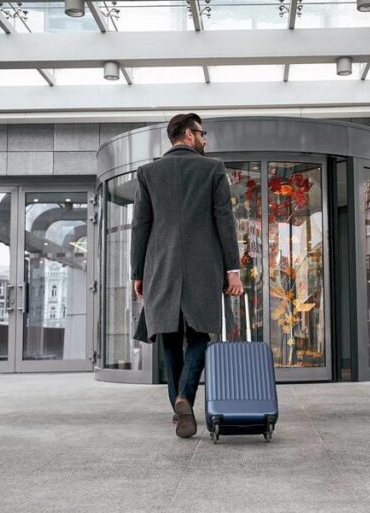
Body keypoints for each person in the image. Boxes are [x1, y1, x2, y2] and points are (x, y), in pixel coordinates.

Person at [131, 113, 243, 439]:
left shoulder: (148, 173)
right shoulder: (212, 169)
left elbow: (141, 226)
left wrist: (137, 272)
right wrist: (231, 270)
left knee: (168, 338)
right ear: (188, 134)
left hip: (159, 266)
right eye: (202, 133)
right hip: (203, 267)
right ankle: (184, 398)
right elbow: (225, 220)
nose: (206, 140)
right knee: (199, 336)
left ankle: (180, 410)